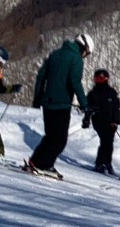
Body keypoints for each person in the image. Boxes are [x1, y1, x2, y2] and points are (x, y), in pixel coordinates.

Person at [24, 32, 92, 176]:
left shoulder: (56, 54)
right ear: (84, 48)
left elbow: (41, 75)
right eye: (87, 53)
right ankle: (45, 165)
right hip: (61, 104)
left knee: (50, 136)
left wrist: (37, 97)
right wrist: (84, 104)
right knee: (59, 140)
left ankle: (35, 161)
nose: (86, 56)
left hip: (47, 102)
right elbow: (75, 82)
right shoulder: (76, 59)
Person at [82, 67, 120, 174]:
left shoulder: (111, 92)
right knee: (105, 141)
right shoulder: (93, 93)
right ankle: (100, 163)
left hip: (110, 122)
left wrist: (116, 121)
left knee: (109, 143)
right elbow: (88, 108)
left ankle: (107, 163)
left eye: (101, 78)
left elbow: (116, 108)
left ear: (106, 79)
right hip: (99, 121)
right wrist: (86, 120)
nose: (99, 80)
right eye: (97, 78)